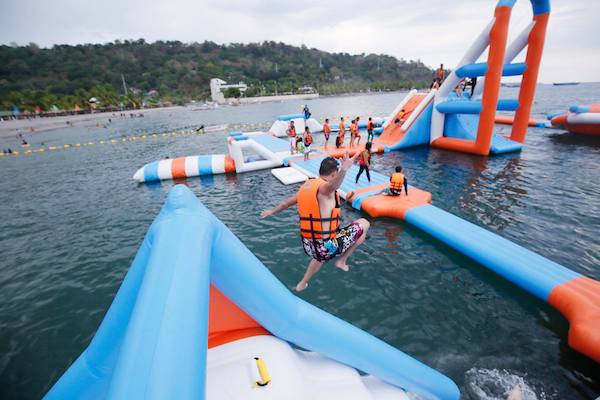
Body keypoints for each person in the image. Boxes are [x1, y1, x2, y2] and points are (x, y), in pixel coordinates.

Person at [261, 153, 370, 291]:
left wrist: (272, 211)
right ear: (333, 174)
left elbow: (285, 204)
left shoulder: (306, 188)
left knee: (321, 254)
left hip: (310, 247)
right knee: (365, 223)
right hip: (328, 247)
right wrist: (344, 170)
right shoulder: (326, 189)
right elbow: (333, 186)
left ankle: (302, 283)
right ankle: (342, 261)